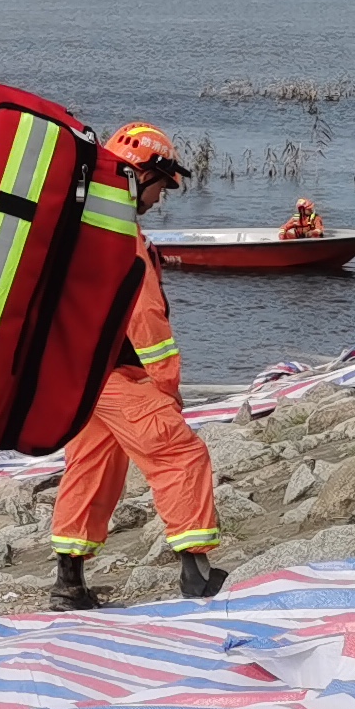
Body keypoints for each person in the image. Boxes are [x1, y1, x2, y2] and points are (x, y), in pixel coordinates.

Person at [49, 126, 230, 607]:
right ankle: (197, 575)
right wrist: (167, 386)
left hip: (77, 375)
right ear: (138, 174)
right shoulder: (121, 237)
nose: (159, 198)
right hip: (119, 376)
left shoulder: (83, 223)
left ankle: (69, 583)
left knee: (92, 465)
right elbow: (145, 318)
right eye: (159, 187)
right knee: (181, 454)